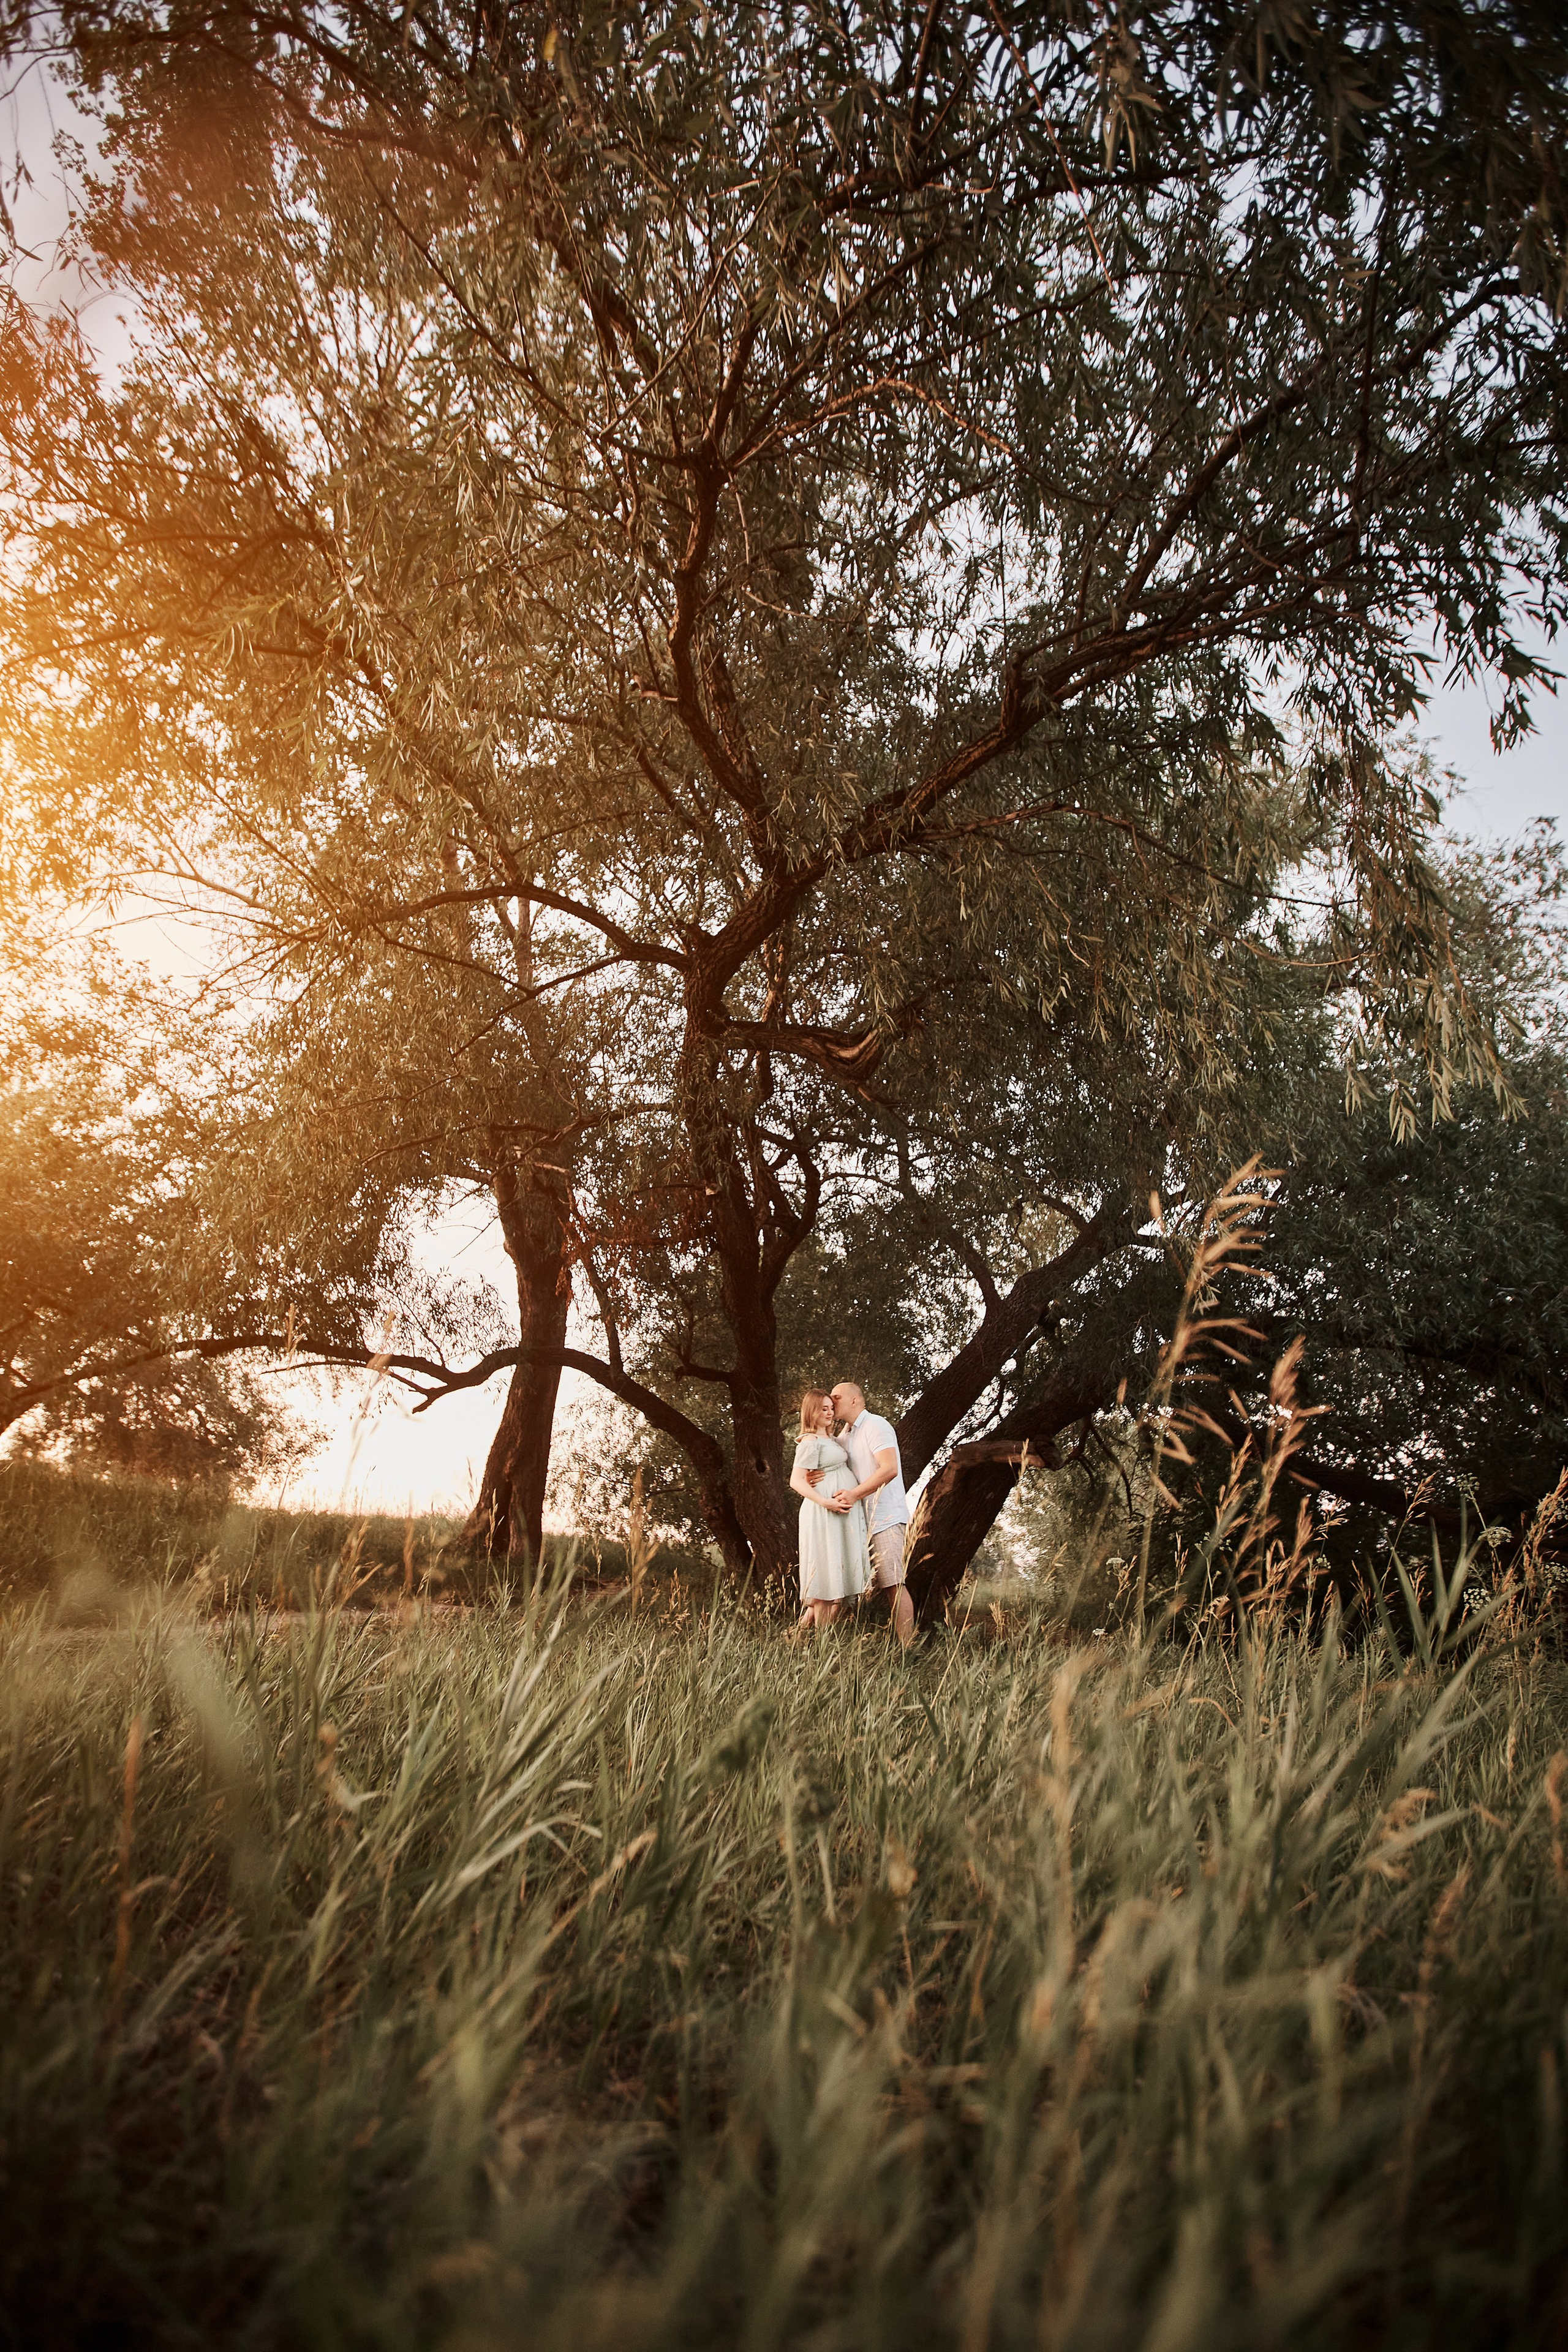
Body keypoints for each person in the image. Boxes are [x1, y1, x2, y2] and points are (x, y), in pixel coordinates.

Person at [823, 1380, 914, 1649]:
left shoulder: (876, 1425)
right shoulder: (845, 1435)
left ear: (854, 1400)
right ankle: (820, 1646)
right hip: (858, 1522)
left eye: (836, 1397)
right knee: (841, 1584)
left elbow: (889, 1469)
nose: (831, 1402)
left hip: (885, 1517)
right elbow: (830, 1460)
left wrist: (853, 1495)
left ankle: (907, 1650)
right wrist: (814, 1471)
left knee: (893, 1585)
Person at [788, 1387, 871, 1633]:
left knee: (835, 1573)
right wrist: (826, 1502)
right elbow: (796, 1481)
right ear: (811, 1412)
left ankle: (798, 1637)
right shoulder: (811, 1440)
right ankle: (821, 1644)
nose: (829, 1412)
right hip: (824, 1513)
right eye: (823, 1408)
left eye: (831, 1408)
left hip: (839, 1515)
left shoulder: (832, 1440)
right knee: (825, 1576)